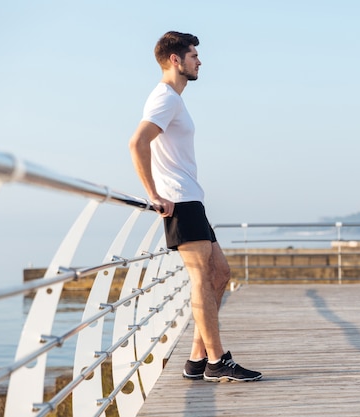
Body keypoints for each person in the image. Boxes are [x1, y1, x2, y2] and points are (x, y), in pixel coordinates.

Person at [128, 31, 262, 382]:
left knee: (220, 274)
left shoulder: (173, 99)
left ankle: (196, 358)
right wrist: (153, 193)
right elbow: (137, 142)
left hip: (191, 198)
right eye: (193, 55)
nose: (199, 61)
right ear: (176, 60)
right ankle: (217, 361)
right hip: (178, 201)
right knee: (203, 277)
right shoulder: (165, 98)